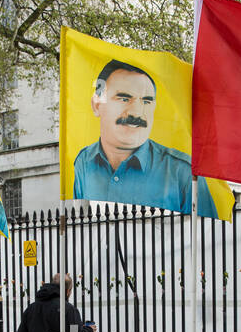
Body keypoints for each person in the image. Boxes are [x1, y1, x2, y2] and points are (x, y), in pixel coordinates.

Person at [72, 59, 214, 215]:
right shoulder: (83, 163)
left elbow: (208, 233)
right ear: (97, 105)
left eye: (146, 101)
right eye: (124, 99)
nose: (137, 112)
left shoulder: (182, 171)